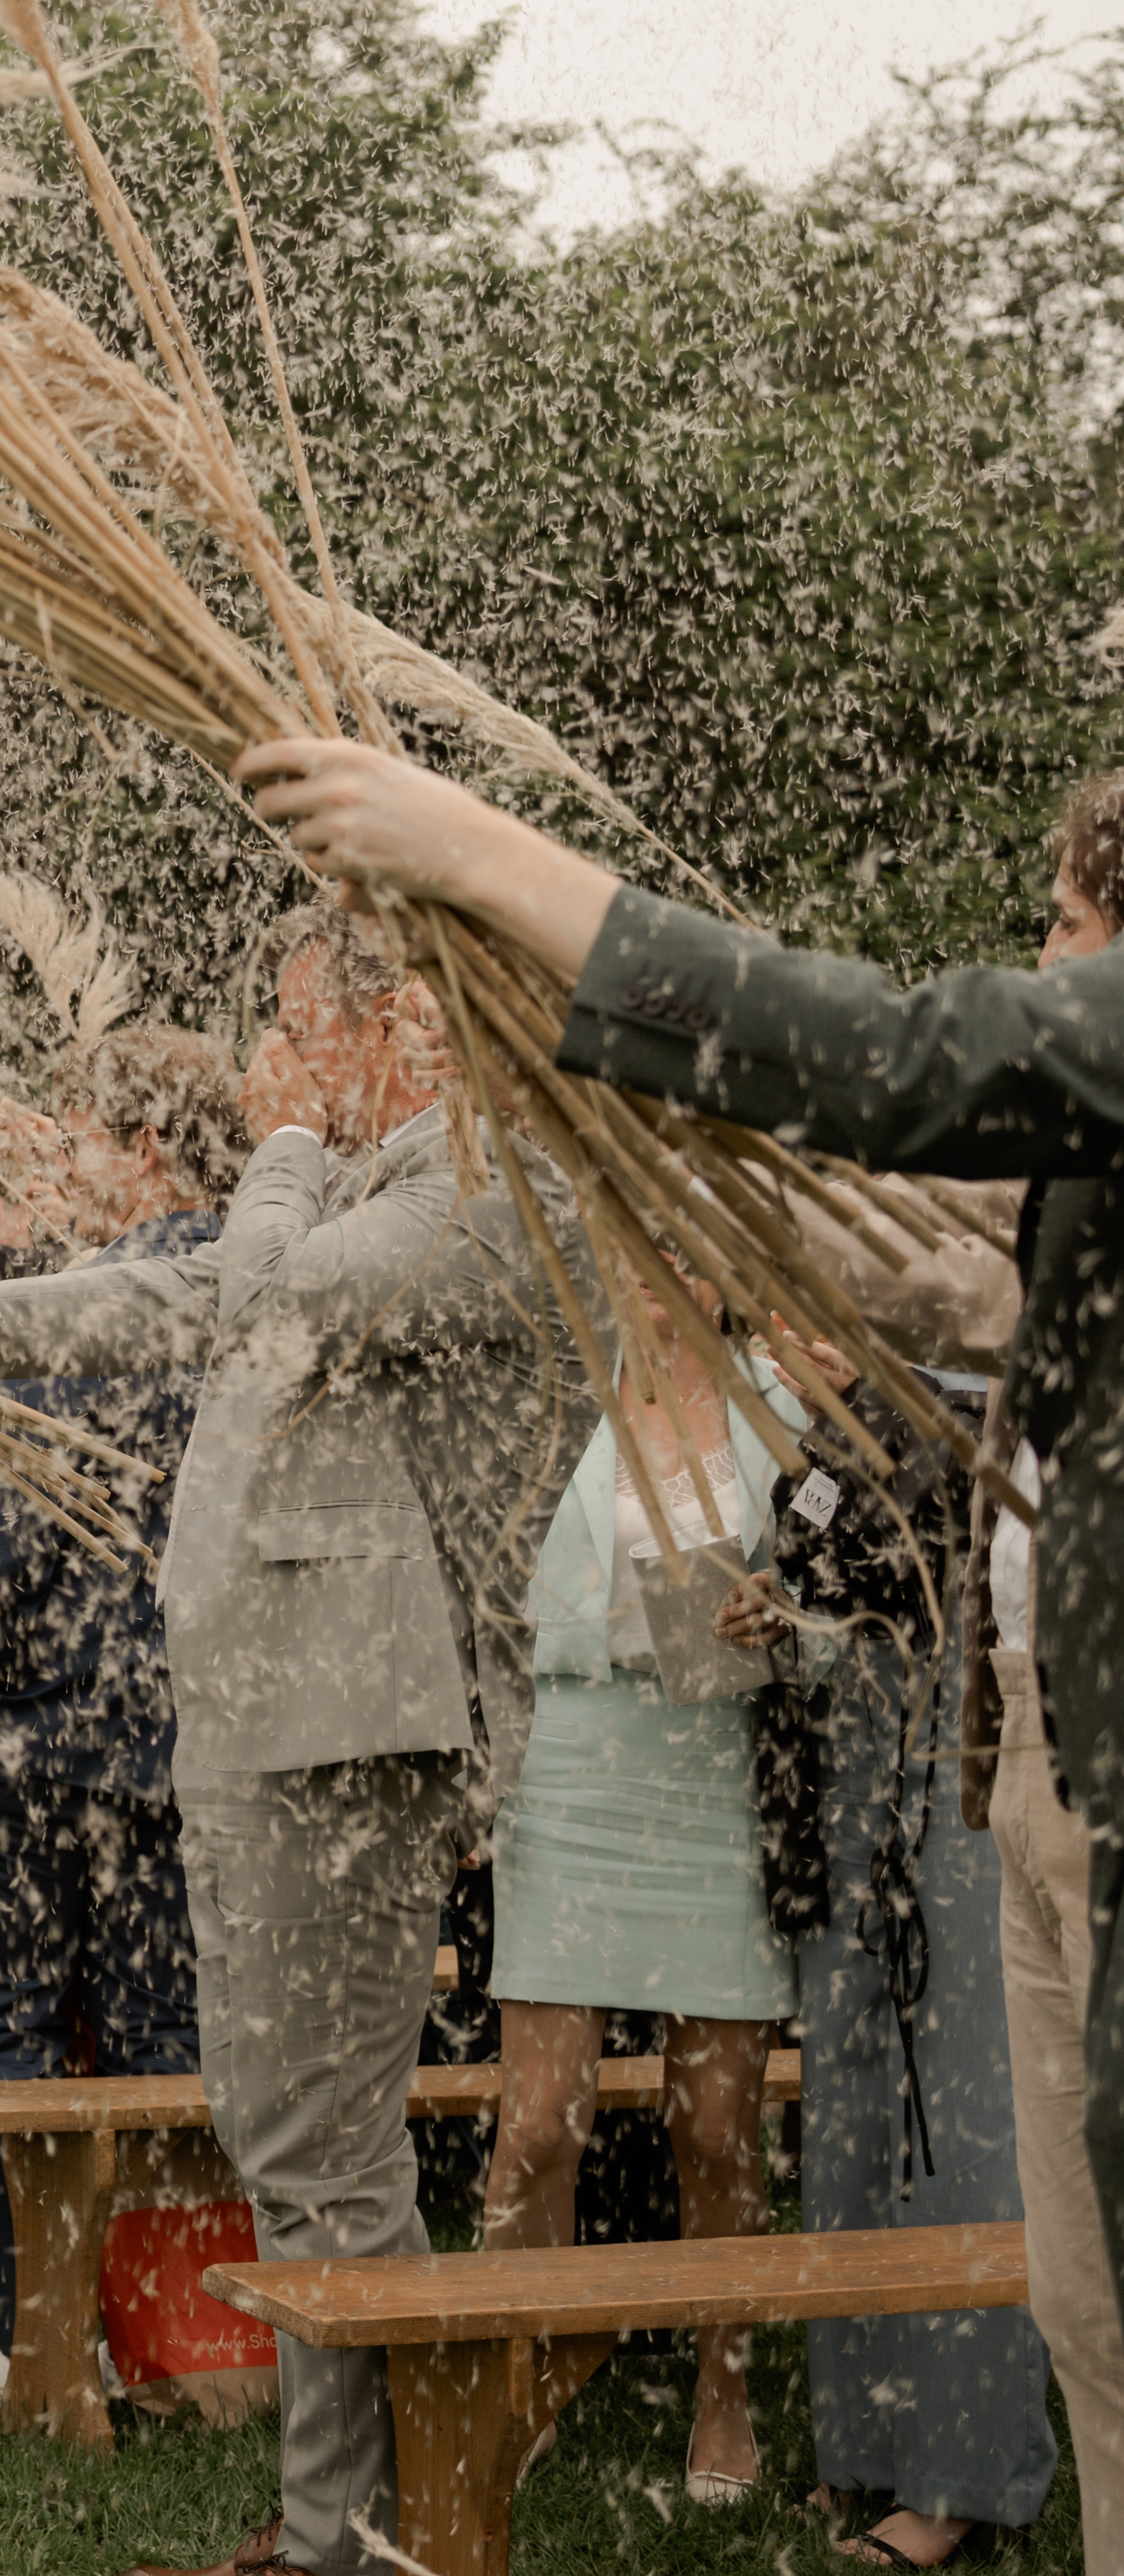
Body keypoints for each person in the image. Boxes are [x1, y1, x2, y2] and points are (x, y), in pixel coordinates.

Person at [245, 735, 1124, 2566]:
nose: (1038, 956)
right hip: (1031, 1749)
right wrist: (573, 1084)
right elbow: (891, 1239)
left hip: (1088, 1787)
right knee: (1091, 2317)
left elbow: (881, 1058)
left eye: (1061, 923)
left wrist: (484, 859)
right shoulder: (1074, 1178)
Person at [0, 898, 604, 2576]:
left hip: (354, 1732)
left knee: (326, 2140)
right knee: (277, 2129)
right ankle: (331, 2524)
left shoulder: (482, 1192)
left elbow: (256, 1301)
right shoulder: (345, 1192)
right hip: (264, 1713)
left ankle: (370, 2533)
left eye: (286, 1029)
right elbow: (162, 1299)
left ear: (387, 1034)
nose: (263, 1064)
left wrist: (282, 1145)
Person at [0, 1030, 239, 2391]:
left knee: (8, 2030)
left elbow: (6, 1542)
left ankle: (33, 2338)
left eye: (85, 1137)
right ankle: (183, 2340)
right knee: (166, 2034)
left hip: (33, 1733)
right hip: (185, 1726)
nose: (67, 1164)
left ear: (145, 1150)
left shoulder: (94, 1295)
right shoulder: (259, 1284)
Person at [476, 1266, 810, 2504]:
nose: (663, 1278)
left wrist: (793, 1622)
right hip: (569, 1773)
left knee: (714, 2128)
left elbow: (849, 1588)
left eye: (689, 1252)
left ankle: (725, 2399)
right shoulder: (558, 1391)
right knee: (536, 2128)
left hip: (714, 1778)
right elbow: (481, 1576)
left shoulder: (782, 1404)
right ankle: (520, 2377)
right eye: (638, 1246)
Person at [728, 1316, 1053, 2565]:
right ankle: (863, 2442)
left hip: (957, 1789)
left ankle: (966, 2477)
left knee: (961, 2115)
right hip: (849, 1791)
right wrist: (779, 1609)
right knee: (857, 2108)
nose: (773, 1332)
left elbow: (969, 1581)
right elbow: (839, 1597)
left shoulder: (969, 1413)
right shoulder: (811, 1440)